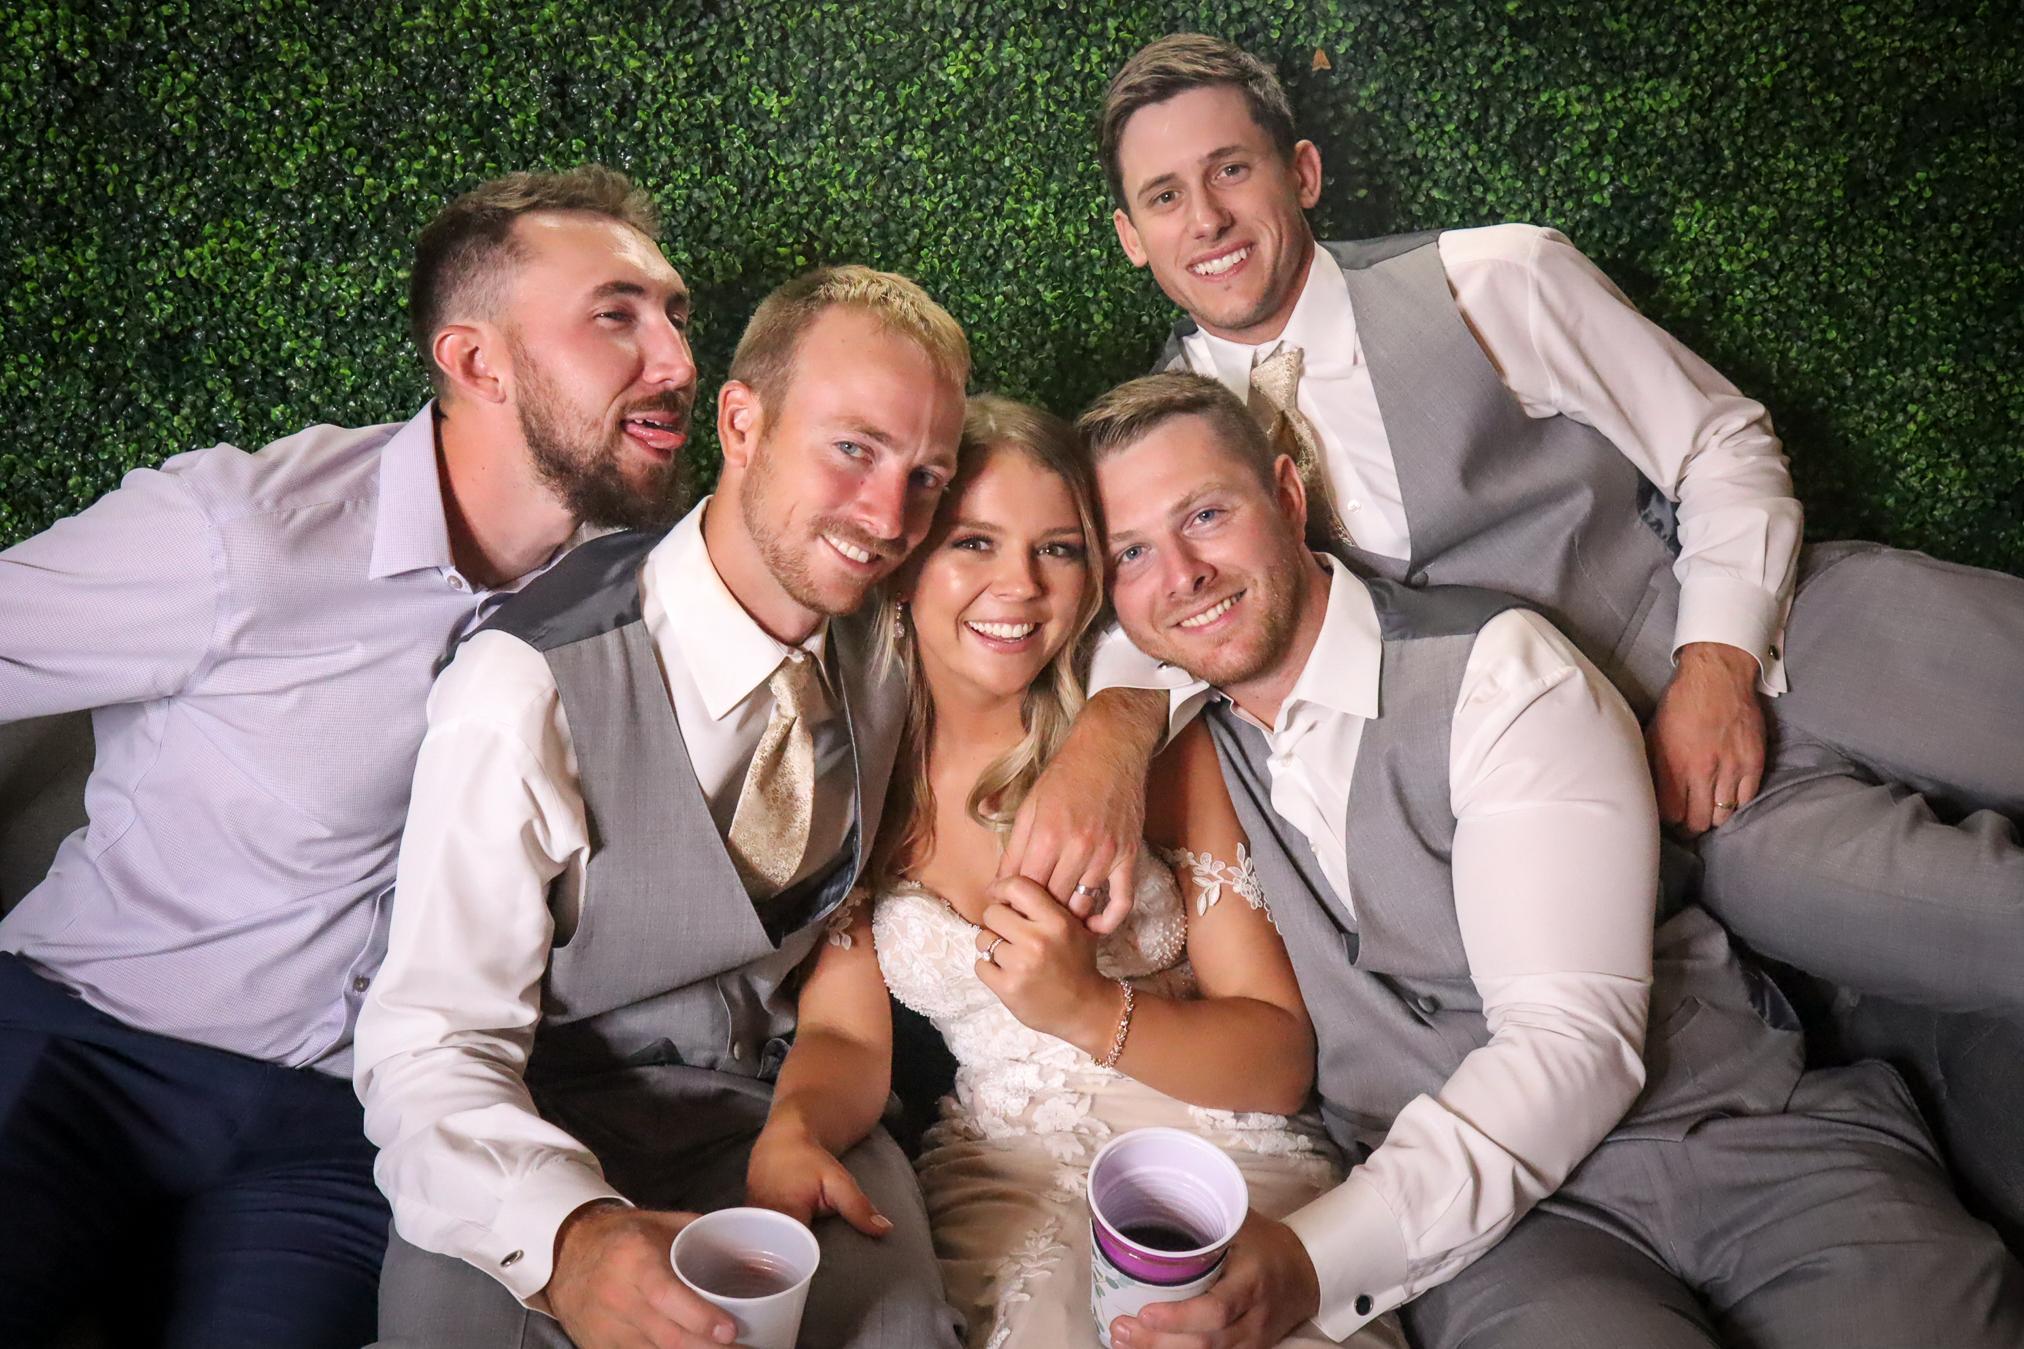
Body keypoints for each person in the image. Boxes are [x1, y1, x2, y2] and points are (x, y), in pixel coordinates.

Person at [1080, 31, 2024, 1243]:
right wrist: (1106, 736)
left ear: (1299, 173)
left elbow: (1717, 440)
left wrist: (1716, 659)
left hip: (1807, 629)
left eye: (1230, 169)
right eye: (1164, 195)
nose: (1206, 217)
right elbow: (1148, 627)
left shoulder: (1489, 279)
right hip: (1696, 815)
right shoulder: (1149, 459)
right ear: (1130, 236)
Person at [1077, 371, 2023, 1349]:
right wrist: (1103, 734)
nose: (1181, 573)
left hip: (1735, 1131)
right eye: (1131, 551)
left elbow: (1572, 1043)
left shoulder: (1497, 673)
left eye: (1206, 515)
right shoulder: (1176, 735)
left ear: (1285, 495)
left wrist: (1312, 1259)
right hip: (1504, 1248)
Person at [0, 164, 689, 1347]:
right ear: (475, 362)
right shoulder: (240, 533)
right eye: (615, 316)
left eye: (675, 315)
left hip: (346, 1128)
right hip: (82, 1044)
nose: (674, 358)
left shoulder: (648, 594)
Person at [356, 265, 993, 1349]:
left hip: (783, 1110)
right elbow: (431, 1047)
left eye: (925, 475)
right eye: (853, 448)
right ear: (742, 423)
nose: (890, 517)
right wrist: (570, 1240)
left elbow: (1129, 619)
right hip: (532, 1131)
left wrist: (1119, 733)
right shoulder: (524, 689)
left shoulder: (893, 634)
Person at [740, 394, 1408, 1349]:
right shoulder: (860, 782)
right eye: (974, 542)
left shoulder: (1153, 753)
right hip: (1006, 1173)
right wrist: (796, 1128)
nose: (1019, 585)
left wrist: (1089, 1007)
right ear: (905, 563)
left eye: (1057, 549)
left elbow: (1278, 1060)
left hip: (1222, 1154)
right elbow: (846, 1034)